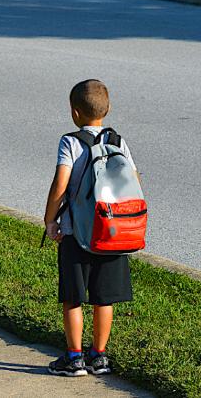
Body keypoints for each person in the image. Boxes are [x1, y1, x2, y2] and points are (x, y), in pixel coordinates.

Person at [44, 79, 138, 377]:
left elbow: (60, 184)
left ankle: (74, 358)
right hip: (111, 232)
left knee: (73, 297)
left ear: (75, 113)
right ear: (107, 110)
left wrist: (50, 220)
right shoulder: (118, 141)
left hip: (76, 233)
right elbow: (133, 180)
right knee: (103, 297)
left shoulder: (70, 141)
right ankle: (99, 357)